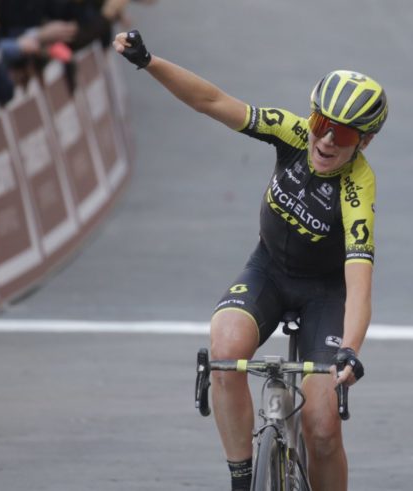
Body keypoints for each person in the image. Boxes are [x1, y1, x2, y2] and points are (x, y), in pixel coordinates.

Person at [113, 29, 387, 491]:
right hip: (270, 271)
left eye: (341, 134)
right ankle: (242, 479)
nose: (324, 140)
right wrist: (148, 61)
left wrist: (352, 350)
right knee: (224, 349)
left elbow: (359, 283)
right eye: (321, 122)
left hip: (324, 293)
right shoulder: (294, 132)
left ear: (364, 142)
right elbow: (212, 101)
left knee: (322, 426)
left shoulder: (358, 187)